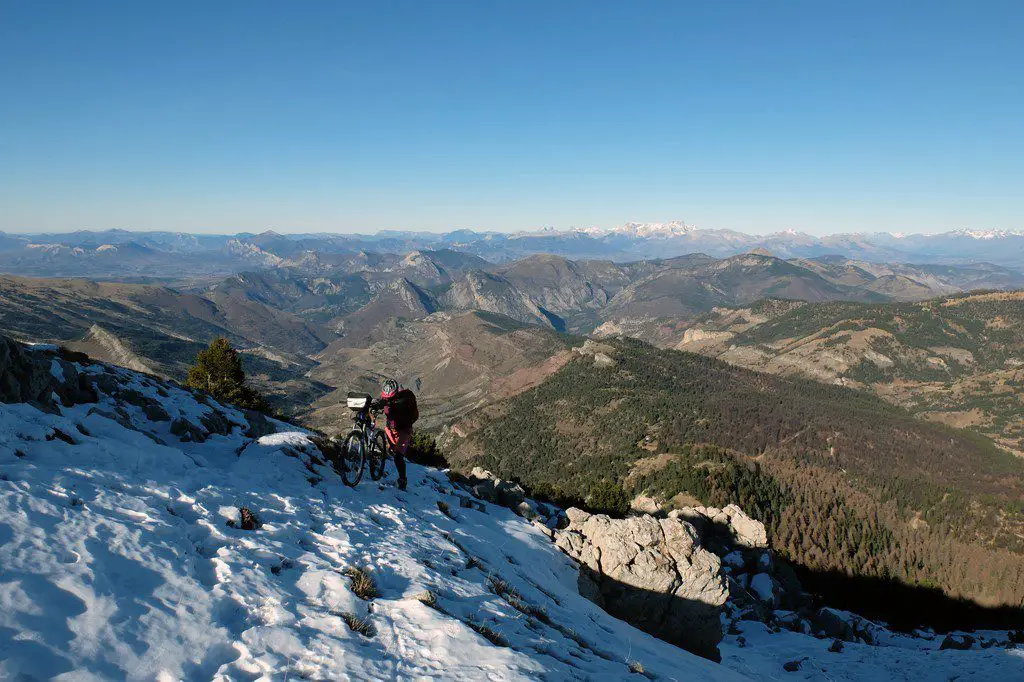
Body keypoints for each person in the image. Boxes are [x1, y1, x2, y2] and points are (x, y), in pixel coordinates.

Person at [371, 378, 418, 490]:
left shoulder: (406, 398)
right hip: (391, 429)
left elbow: (401, 403)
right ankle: (385, 467)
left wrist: (387, 402)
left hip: (404, 430)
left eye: (389, 398)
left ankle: (403, 481)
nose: (387, 399)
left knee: (398, 457)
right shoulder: (388, 399)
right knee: (391, 451)